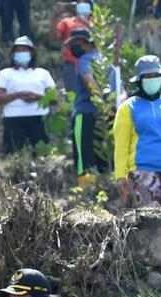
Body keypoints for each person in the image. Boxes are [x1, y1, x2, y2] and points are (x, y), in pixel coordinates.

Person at [114, 55, 161, 206]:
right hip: (143, 169)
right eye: (147, 76)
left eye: (155, 76)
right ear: (139, 80)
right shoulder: (128, 108)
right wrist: (120, 175)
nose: (152, 79)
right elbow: (121, 145)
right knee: (150, 217)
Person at [0, 36, 56, 155]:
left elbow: (54, 98)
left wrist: (37, 97)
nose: (22, 53)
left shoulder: (42, 73)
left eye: (25, 50)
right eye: (18, 50)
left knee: (42, 155)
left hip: (38, 119)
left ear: (32, 53)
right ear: (13, 53)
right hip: (13, 119)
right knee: (13, 154)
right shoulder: (5, 74)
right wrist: (18, 95)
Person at [68, 28, 115, 187]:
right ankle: (106, 189)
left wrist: (100, 101)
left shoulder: (85, 60)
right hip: (107, 115)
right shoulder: (107, 61)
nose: (73, 47)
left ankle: (86, 193)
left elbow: (90, 82)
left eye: (75, 43)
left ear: (86, 43)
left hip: (85, 113)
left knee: (85, 157)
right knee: (104, 156)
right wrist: (109, 109)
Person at [51, 1, 93, 92]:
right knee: (72, 95)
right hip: (71, 65)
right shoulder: (67, 22)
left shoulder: (98, 23)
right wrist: (55, 16)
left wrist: (87, 23)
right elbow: (54, 37)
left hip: (93, 64)